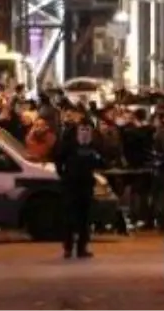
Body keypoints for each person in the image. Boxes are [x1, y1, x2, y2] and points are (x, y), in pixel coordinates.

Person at [54, 111, 102, 259]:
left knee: (84, 218)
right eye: (83, 129)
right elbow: (58, 159)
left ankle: (82, 248)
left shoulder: (93, 145)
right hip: (70, 185)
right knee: (69, 217)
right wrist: (64, 175)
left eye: (88, 130)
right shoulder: (69, 144)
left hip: (86, 185)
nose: (85, 132)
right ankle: (68, 247)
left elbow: (100, 160)